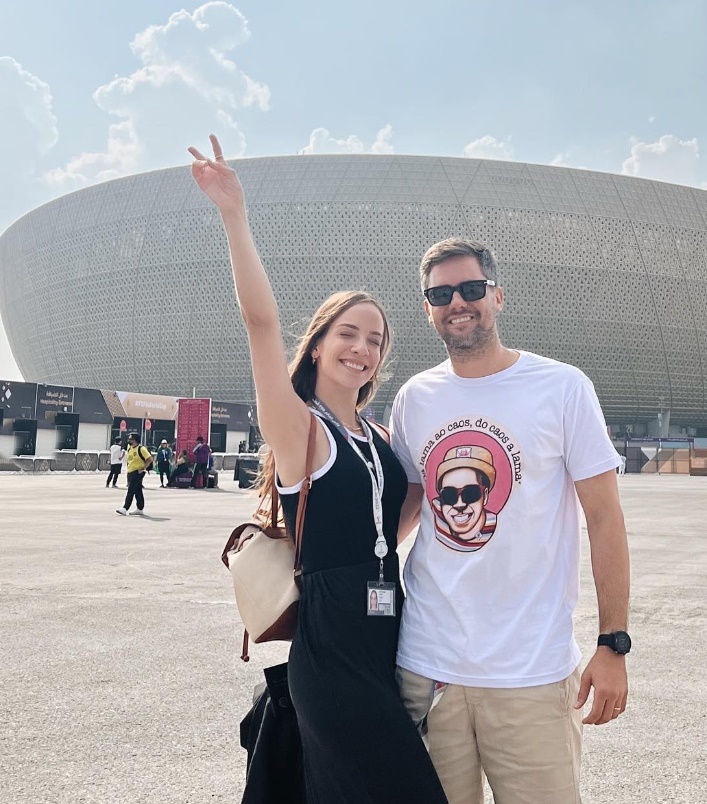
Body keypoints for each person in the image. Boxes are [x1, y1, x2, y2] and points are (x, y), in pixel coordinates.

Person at [188, 134, 447, 804]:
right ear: (321, 343)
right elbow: (259, 323)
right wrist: (233, 216)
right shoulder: (302, 430)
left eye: (375, 340)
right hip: (329, 645)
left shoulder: (379, 435)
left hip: (385, 628)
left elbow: (403, 513)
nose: (361, 349)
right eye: (347, 334)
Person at [390, 238, 631, 804]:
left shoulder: (562, 388)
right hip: (427, 669)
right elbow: (407, 509)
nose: (458, 303)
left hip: (530, 673)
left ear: (498, 296)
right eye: (441, 294)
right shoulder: (414, 398)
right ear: (427, 309)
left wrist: (612, 643)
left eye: (472, 289)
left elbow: (604, 519)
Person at [116, 432, 153, 516]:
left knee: (131, 490)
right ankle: (140, 508)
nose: (128, 440)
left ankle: (125, 508)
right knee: (137, 490)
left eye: (130, 439)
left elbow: (150, 459)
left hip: (138, 472)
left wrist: (143, 468)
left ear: (135, 440)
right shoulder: (129, 447)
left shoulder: (141, 449)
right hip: (130, 472)